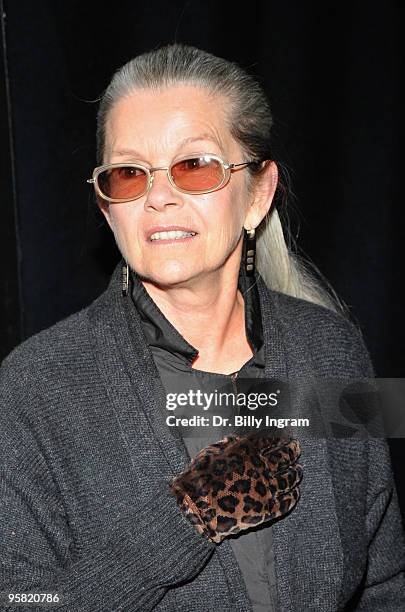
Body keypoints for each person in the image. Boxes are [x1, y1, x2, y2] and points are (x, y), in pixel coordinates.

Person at [0, 43, 404, 612]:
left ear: (258, 193)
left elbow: (385, 582)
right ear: (106, 205)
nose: (159, 196)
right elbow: (20, 599)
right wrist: (187, 520)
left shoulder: (333, 349)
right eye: (128, 174)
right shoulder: (35, 387)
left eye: (194, 166)